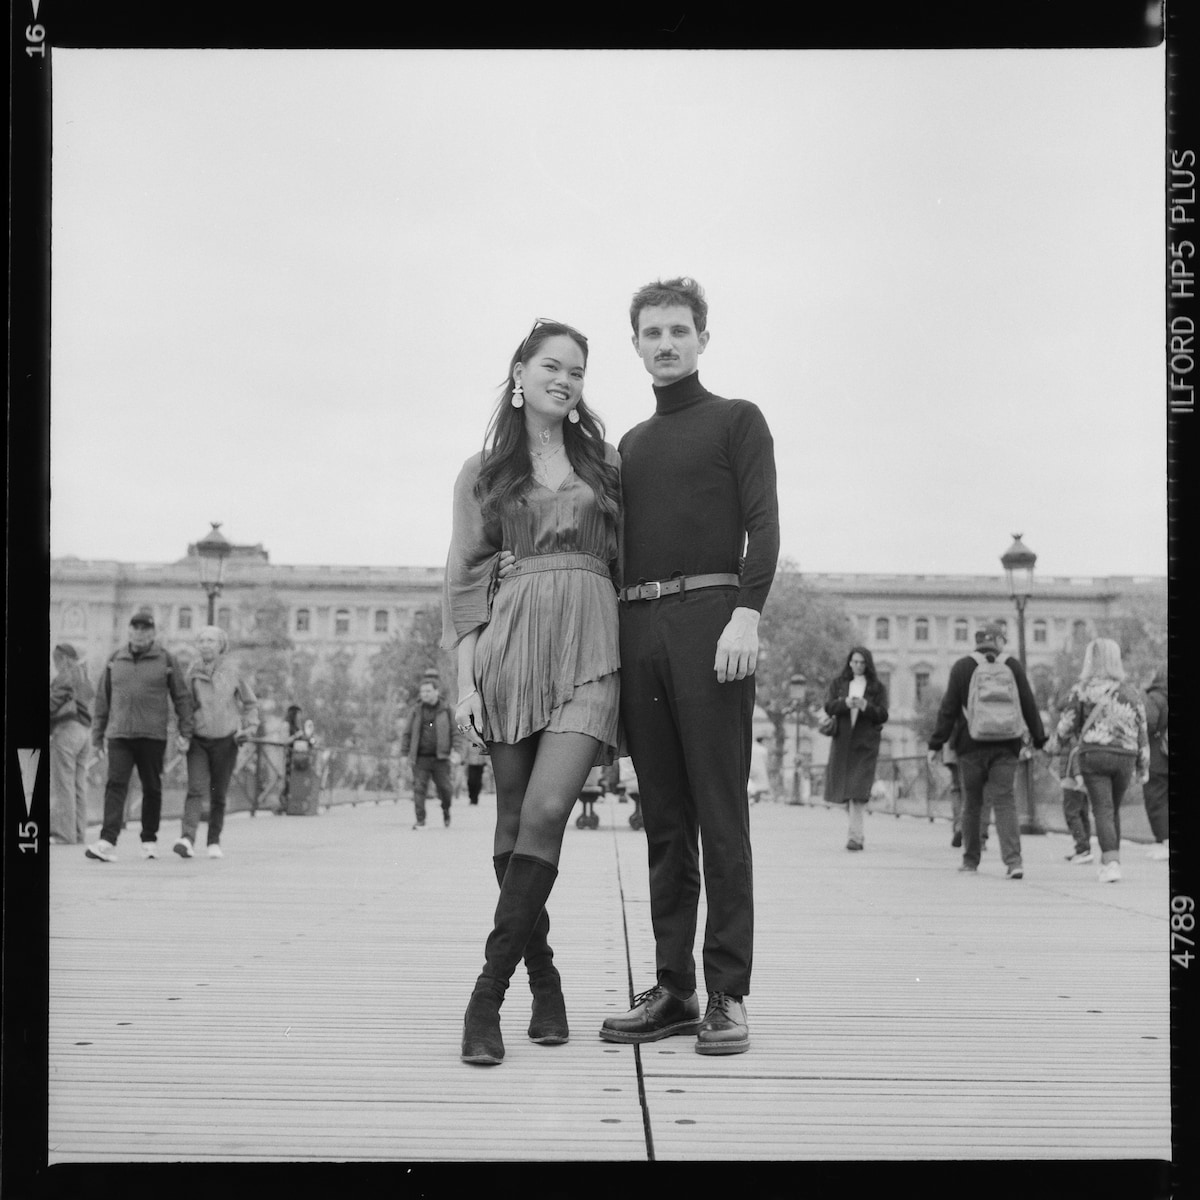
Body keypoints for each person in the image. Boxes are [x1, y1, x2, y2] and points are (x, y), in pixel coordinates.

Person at [599, 277, 779, 1057]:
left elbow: (764, 526)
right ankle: (675, 988)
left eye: (679, 330)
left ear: (703, 337)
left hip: (712, 622)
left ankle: (728, 992)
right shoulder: (631, 446)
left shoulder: (737, 420)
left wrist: (748, 612)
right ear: (636, 345)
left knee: (719, 811)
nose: (666, 343)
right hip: (637, 626)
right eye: (652, 333)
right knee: (664, 819)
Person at [443, 318, 622, 1065]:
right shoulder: (482, 472)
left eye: (577, 371)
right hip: (510, 649)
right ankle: (545, 980)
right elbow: (463, 582)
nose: (565, 380)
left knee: (548, 811)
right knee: (513, 821)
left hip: (592, 646)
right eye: (552, 366)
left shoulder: (608, 465)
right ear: (519, 374)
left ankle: (485, 997)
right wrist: (465, 687)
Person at [927, 623, 1045, 880]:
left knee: (972, 802)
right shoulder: (1012, 666)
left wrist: (935, 744)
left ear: (977, 641)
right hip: (1006, 744)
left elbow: (948, 709)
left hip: (971, 745)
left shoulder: (962, 667)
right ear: (998, 641)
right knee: (1005, 800)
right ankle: (1014, 862)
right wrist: (1039, 739)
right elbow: (1028, 703)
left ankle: (970, 861)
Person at [86, 608, 194, 862]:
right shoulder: (115, 659)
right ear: (129, 631)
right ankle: (107, 840)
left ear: (153, 633)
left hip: (152, 735)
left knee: (152, 787)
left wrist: (185, 732)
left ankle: (149, 840)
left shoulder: (166, 659)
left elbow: (181, 697)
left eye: (145, 629)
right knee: (115, 785)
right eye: (135, 628)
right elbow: (103, 700)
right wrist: (97, 737)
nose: (139, 633)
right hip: (119, 734)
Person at [1055, 639, 1149, 883]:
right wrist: (1143, 767)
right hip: (1125, 757)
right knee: (1112, 809)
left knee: (1102, 809)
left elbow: (1066, 726)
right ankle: (1110, 860)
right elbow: (1142, 730)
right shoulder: (1130, 692)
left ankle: (1112, 863)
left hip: (1094, 755)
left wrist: (1054, 745)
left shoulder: (1082, 690)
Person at [172, 625, 258, 860]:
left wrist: (250, 727)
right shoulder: (192, 672)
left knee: (218, 792)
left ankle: (213, 841)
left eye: (210, 641)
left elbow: (250, 703)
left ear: (221, 645)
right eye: (201, 641)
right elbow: (185, 706)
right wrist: (183, 734)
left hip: (226, 740)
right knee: (195, 789)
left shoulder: (233, 671)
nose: (205, 645)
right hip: (199, 740)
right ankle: (187, 838)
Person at [822, 647, 889, 851]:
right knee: (846, 791)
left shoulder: (877, 687)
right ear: (849, 663)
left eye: (862, 662)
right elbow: (829, 707)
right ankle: (856, 831)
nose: (858, 666)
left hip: (865, 744)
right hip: (843, 742)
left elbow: (883, 714)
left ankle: (855, 837)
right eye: (855, 662)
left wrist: (864, 706)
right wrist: (845, 703)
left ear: (867, 664)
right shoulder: (839, 684)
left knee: (857, 790)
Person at [400, 676, 462, 829]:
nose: (425, 694)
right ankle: (420, 820)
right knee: (419, 788)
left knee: (446, 789)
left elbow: (455, 733)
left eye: (428, 691)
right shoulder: (416, 711)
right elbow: (407, 733)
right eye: (422, 692)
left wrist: (457, 751)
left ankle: (446, 809)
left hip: (441, 758)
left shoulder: (447, 710)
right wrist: (404, 754)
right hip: (420, 758)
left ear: (436, 691)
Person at [49, 643, 95, 844]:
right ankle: (77, 832)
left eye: (55, 661)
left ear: (63, 659)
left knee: (63, 784)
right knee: (78, 785)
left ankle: (63, 834)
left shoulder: (66, 675)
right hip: (84, 733)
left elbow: (52, 703)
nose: (55, 665)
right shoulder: (84, 676)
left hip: (67, 731)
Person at [1141, 666, 1168, 861]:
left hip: (1158, 756)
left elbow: (1147, 724)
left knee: (1156, 799)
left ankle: (1164, 841)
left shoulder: (1155, 698)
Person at [748, 736, 771, 803]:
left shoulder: (752, 747)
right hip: (760, 768)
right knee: (759, 784)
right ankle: (754, 798)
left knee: (752, 783)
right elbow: (766, 760)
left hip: (751, 767)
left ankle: (752, 797)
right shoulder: (763, 749)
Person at [465, 740, 488, 805]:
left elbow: (485, 753)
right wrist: (464, 761)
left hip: (480, 764)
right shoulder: (468, 744)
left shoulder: (482, 744)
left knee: (478, 782)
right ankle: (471, 795)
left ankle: (475, 797)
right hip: (471, 764)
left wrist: (486, 762)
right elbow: (465, 754)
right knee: (471, 781)